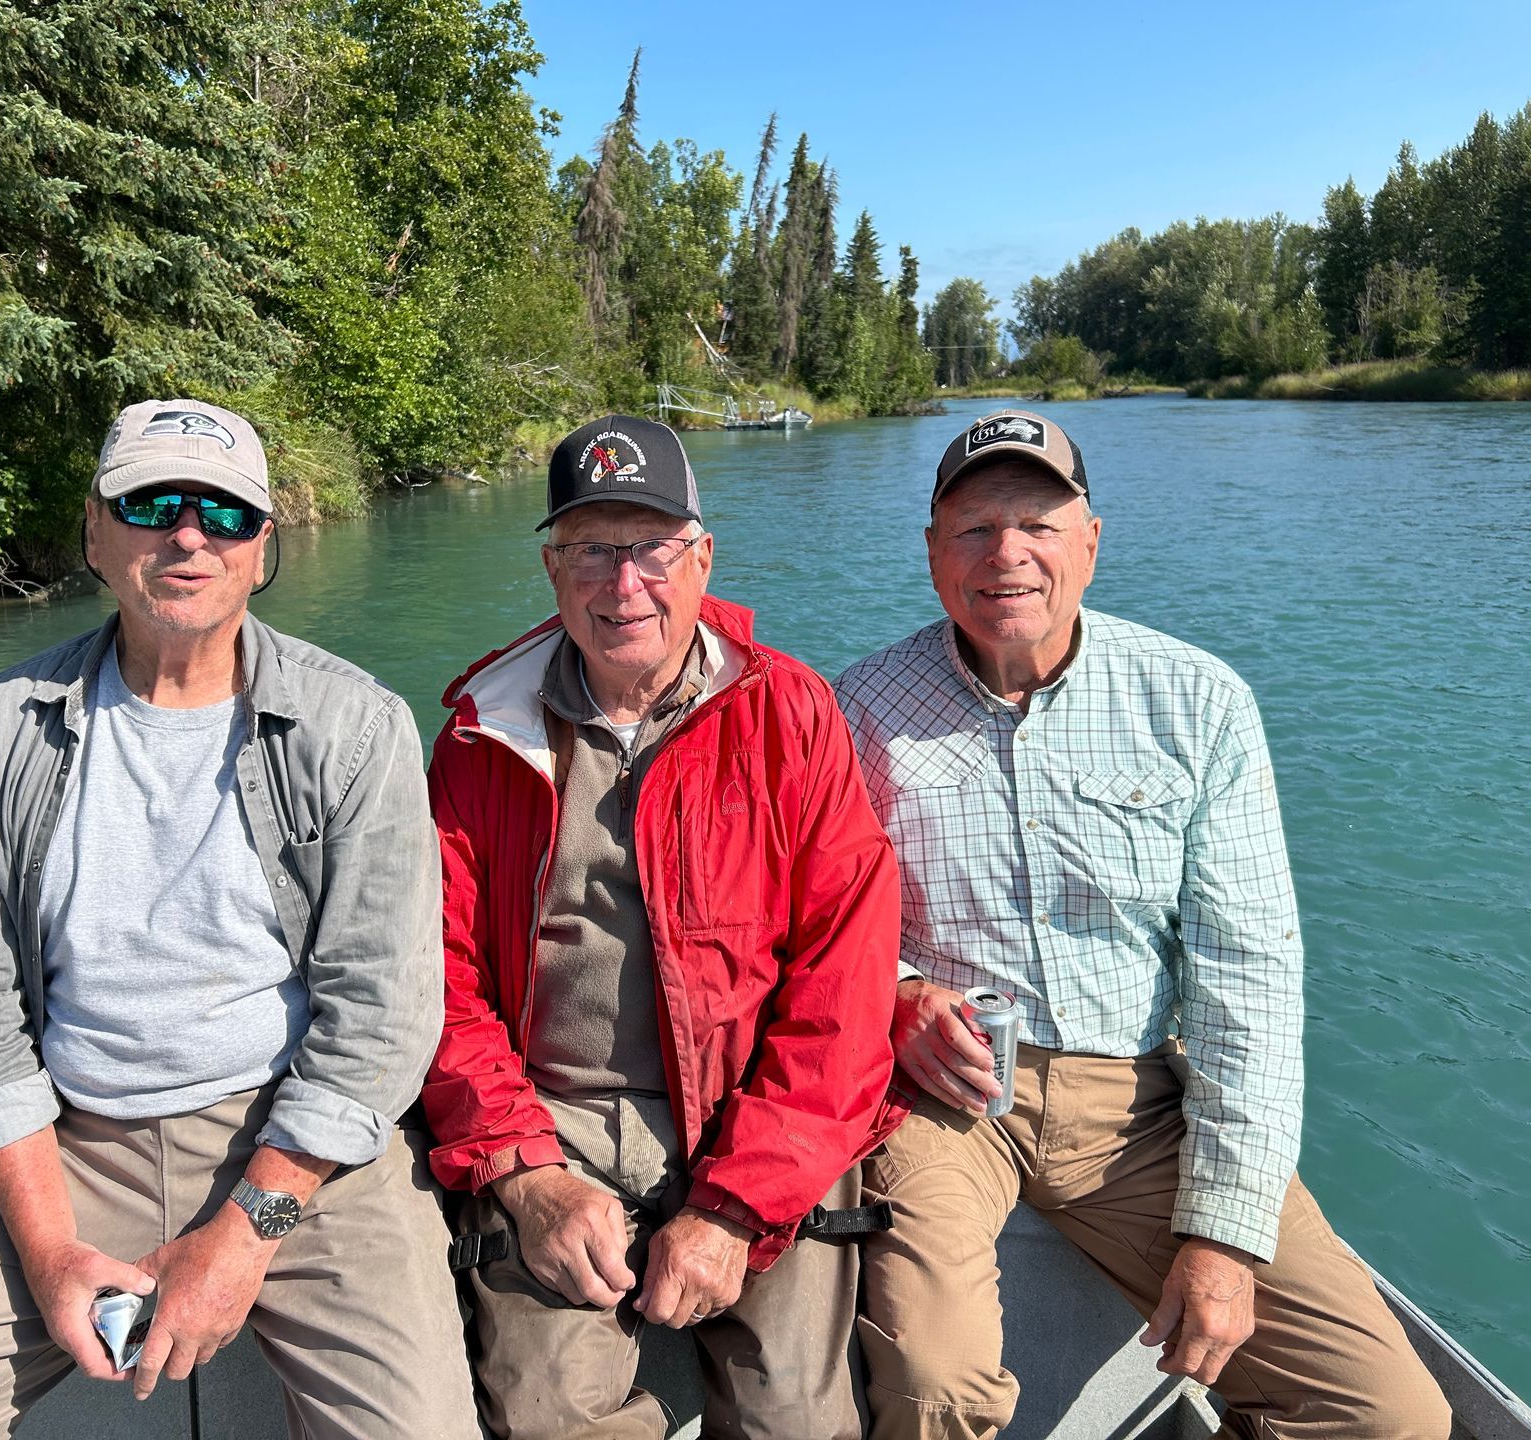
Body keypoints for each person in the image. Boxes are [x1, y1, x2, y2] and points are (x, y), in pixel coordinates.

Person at [0, 400, 477, 1439]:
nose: (188, 535)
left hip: (301, 1156)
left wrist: (247, 1231)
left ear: (262, 544)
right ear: (95, 531)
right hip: (66, 1146)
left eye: (223, 512)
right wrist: (48, 1253)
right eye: (151, 504)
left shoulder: (354, 727)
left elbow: (379, 1019)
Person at [834, 409, 1451, 1440]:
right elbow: (818, 920)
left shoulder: (1198, 703)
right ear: (933, 551)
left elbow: (1247, 980)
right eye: (975, 527)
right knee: (934, 1387)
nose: (1006, 554)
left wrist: (1225, 1236)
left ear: (1091, 542)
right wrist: (897, 991)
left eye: (1038, 524)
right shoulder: (856, 709)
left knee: (1385, 1415)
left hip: (1143, 1100)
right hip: (942, 1097)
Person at [422, 415, 900, 1440]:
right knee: (552, 1420)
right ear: (553, 569)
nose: (623, 582)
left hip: (756, 1122)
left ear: (703, 558)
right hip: (553, 1127)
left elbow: (844, 988)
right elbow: (437, 981)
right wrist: (527, 1176)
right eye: (592, 549)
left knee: (795, 1423)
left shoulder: (791, 713)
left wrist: (733, 1207)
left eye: (651, 547)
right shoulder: (480, 735)